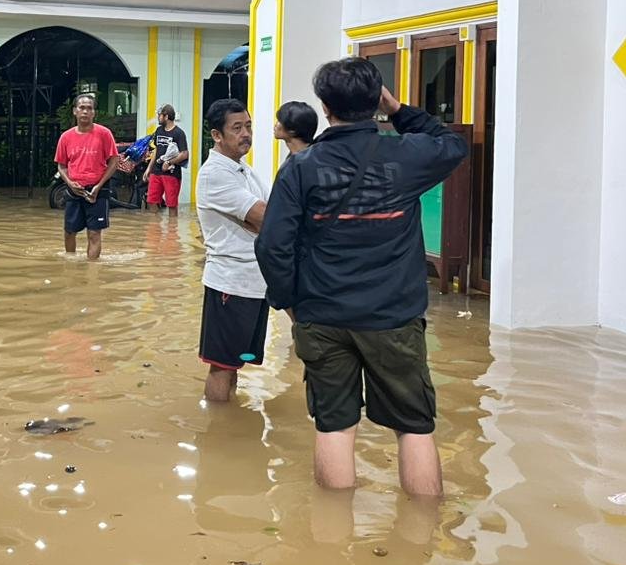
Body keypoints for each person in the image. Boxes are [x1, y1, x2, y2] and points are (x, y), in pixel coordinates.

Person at [254, 57, 468, 496]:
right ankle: (420, 545)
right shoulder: (407, 156)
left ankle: (332, 541)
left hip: (323, 315)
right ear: (375, 101)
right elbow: (450, 143)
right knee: (414, 427)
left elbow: (273, 246)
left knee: (334, 427)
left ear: (324, 106)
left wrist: (292, 305)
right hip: (394, 317)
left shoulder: (301, 167)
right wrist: (397, 110)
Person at [194, 99, 269, 402]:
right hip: (231, 283)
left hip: (254, 282)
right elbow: (267, 217)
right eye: (236, 128)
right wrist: (262, 220)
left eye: (248, 126)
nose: (245, 134)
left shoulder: (244, 171)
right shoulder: (215, 174)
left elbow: (268, 216)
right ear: (217, 135)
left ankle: (229, 426)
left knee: (236, 362)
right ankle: (217, 433)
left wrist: (264, 220)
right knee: (222, 366)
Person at [54, 93, 120, 261]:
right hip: (74, 190)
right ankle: (70, 265)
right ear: (75, 111)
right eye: (81, 108)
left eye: (89, 108)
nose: (85, 111)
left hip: (98, 190)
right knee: (69, 232)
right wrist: (69, 183)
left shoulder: (104, 134)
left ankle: (92, 273)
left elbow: (114, 161)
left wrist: (99, 186)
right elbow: (61, 165)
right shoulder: (66, 137)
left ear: (94, 113)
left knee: (94, 233)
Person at [145, 104, 189, 216]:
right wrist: (149, 168)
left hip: (171, 174)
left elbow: (184, 154)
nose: (158, 118)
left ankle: (172, 230)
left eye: (160, 116)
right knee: (151, 201)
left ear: (166, 117)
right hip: (156, 172)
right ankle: (155, 228)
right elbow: (156, 150)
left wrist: (169, 162)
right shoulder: (159, 130)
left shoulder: (179, 133)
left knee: (171, 204)